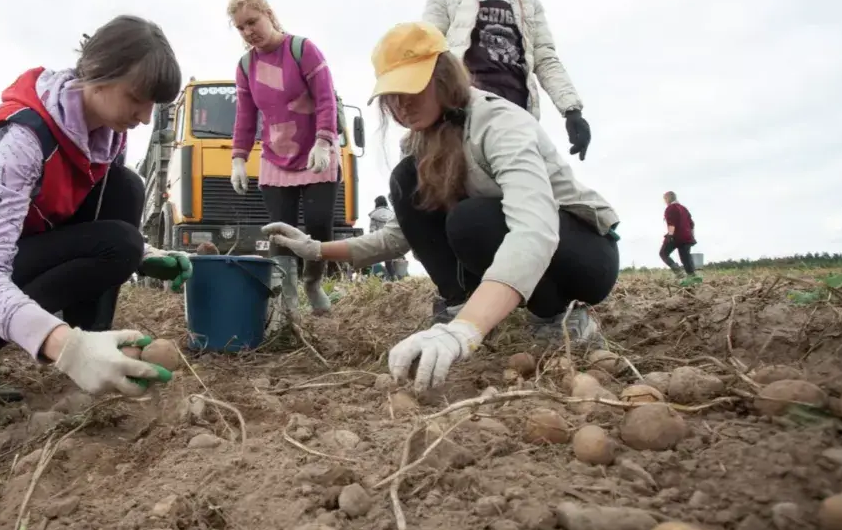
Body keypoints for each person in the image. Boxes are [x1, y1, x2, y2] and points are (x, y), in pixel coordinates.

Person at [265, 21, 621, 391]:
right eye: (393, 94)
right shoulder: (420, 144)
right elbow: (398, 237)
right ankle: (461, 305)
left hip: (582, 255)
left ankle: (556, 318)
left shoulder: (499, 124)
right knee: (407, 179)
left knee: (472, 221)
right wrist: (316, 249)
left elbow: (535, 230)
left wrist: (465, 332)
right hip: (520, 243)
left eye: (412, 87)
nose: (402, 104)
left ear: (443, 78)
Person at [0, 15, 193, 407]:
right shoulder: (19, 138)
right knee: (118, 240)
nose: (144, 117)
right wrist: (68, 348)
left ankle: (97, 342)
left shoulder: (109, 134)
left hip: (20, 251)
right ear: (100, 73)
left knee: (124, 187)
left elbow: (89, 221)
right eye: (136, 98)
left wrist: (144, 255)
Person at [422, 0, 592, 161]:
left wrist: (571, 110)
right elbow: (427, 52)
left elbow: (544, 57)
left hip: (518, 115)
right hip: (467, 112)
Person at [227, 0, 340, 317]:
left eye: (252, 21)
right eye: (241, 27)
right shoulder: (246, 66)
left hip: (316, 151)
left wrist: (323, 140)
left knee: (319, 223)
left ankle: (313, 281)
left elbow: (325, 99)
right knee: (280, 229)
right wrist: (238, 158)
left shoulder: (302, 50)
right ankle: (288, 299)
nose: (249, 31)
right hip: (275, 157)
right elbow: (246, 117)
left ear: (268, 14)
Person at [660, 191, 697, 279]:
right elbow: (692, 224)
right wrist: (692, 236)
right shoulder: (684, 208)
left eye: (665, 199)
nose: (665, 201)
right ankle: (692, 278)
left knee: (663, 253)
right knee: (685, 258)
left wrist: (670, 236)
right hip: (687, 237)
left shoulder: (670, 208)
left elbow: (671, 223)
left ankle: (679, 273)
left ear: (668, 198)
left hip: (677, 237)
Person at [368, 196, 396, 280]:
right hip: (390, 242)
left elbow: (372, 231)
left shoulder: (374, 215)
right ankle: (393, 280)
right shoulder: (392, 214)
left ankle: (374, 281)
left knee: (374, 262)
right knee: (389, 264)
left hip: (378, 241)